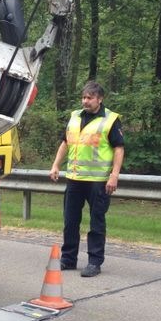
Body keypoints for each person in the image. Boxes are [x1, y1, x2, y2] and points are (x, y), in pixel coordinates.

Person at [48, 81, 124, 277]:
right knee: (70, 221)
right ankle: (68, 259)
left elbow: (119, 148)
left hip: (98, 181)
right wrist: (56, 164)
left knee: (96, 222)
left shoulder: (110, 120)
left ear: (100, 99)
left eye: (90, 98)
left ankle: (94, 262)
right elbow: (65, 142)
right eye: (84, 97)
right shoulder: (74, 117)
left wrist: (114, 175)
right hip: (74, 178)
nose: (85, 101)